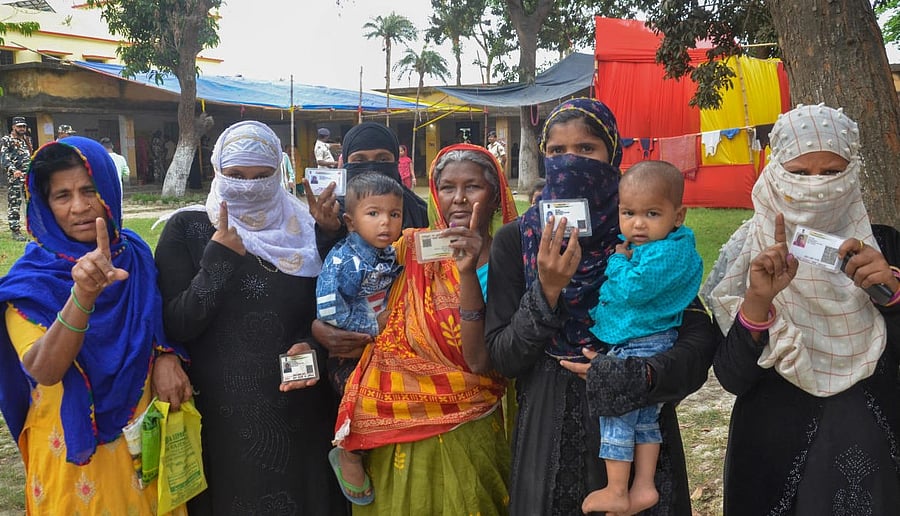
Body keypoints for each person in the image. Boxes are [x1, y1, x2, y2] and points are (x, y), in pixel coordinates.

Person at [484, 98, 718, 515]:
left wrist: (636, 374)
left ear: (613, 155)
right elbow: (502, 356)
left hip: (640, 422)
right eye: (556, 152)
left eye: (587, 149)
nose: (570, 163)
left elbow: (699, 341)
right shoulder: (516, 240)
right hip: (549, 427)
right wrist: (547, 291)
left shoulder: (642, 235)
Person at [702, 104, 900, 514]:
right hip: (774, 461)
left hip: (878, 454)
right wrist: (757, 301)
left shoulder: (885, 246)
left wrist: (890, 295)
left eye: (831, 172)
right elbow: (732, 377)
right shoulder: (744, 255)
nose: (817, 187)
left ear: (853, 170)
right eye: (799, 173)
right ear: (775, 171)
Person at [154, 120, 347, 515]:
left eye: (262, 176)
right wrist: (219, 261)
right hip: (222, 421)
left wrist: (312, 350)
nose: (249, 186)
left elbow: (330, 314)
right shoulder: (187, 229)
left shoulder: (307, 229)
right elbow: (177, 324)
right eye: (237, 176)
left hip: (300, 412)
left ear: (279, 172)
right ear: (216, 171)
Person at [0, 136, 191, 514]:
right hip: (70, 454)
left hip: (143, 440)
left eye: (89, 189)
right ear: (45, 205)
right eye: (62, 195)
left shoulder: (133, 253)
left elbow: (151, 317)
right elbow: (43, 368)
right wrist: (82, 297)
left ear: (109, 188)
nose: (80, 207)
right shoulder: (30, 283)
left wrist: (164, 354)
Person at [323, 143, 517, 514]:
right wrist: (326, 324)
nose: (458, 199)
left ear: (495, 195)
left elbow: (490, 353)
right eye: (447, 187)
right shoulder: (412, 246)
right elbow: (356, 273)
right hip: (396, 409)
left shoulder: (511, 257)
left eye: (472, 187)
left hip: (472, 405)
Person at [583, 160, 703, 514]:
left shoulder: (664, 253)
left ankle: (617, 489)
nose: (637, 224)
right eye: (628, 212)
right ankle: (644, 486)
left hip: (640, 343)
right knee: (646, 420)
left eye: (652, 213)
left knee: (618, 412)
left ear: (678, 216)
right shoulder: (671, 245)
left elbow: (634, 289)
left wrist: (618, 261)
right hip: (655, 341)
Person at [316, 172, 403, 394]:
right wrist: (374, 326)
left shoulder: (390, 252)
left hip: (382, 349)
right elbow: (328, 310)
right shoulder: (344, 261)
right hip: (349, 358)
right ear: (350, 222)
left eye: (394, 214)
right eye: (373, 213)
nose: (385, 222)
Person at [1, 116, 33, 241]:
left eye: (23, 126)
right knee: (15, 204)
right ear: (13, 127)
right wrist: (14, 170)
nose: (22, 128)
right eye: (19, 126)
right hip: (15, 177)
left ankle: (33, 229)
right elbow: (4, 159)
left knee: (30, 203)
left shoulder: (27, 139)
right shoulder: (7, 140)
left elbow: (30, 156)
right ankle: (15, 230)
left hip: (28, 177)